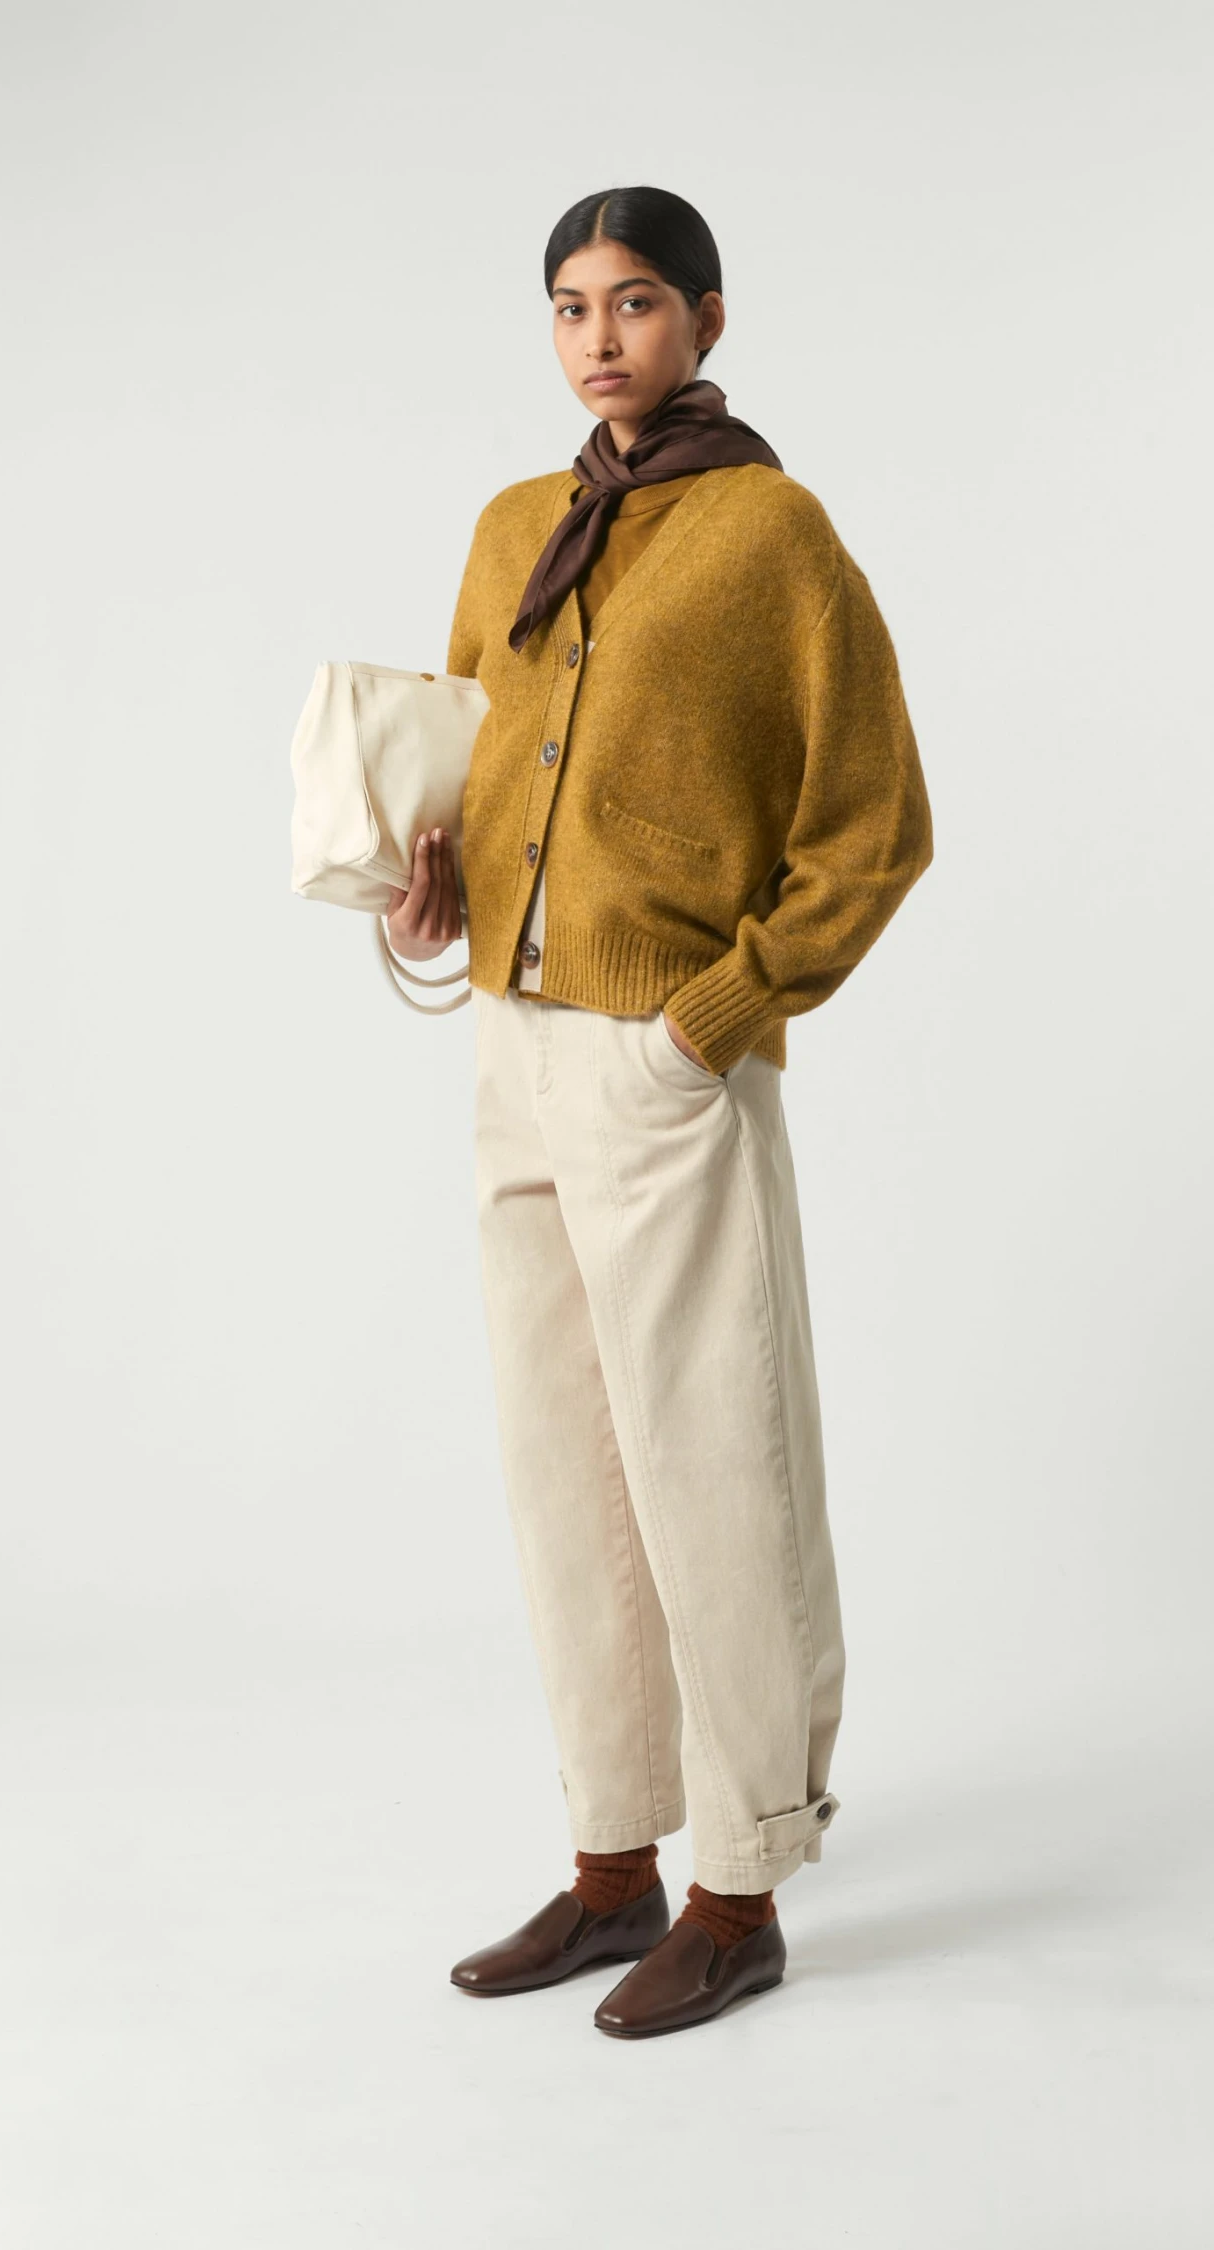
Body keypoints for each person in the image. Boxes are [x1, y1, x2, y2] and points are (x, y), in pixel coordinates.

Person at [386, 184, 934, 2038]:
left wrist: (717, 1016)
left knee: (715, 1456)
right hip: (514, 1045)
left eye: (632, 301)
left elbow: (875, 824)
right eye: (568, 306)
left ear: (705, 315)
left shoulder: (773, 534)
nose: (598, 337)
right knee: (567, 1464)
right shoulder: (513, 526)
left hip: (662, 1058)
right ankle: (613, 1863)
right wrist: (436, 887)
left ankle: (742, 1882)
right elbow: (475, 759)